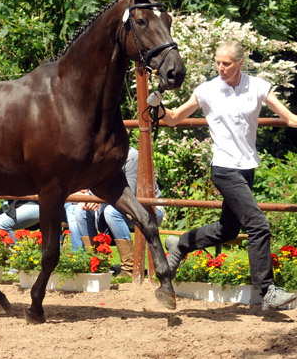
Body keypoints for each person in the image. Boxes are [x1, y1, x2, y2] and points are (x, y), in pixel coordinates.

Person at [147, 40, 297, 311]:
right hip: (225, 168)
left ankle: (180, 243)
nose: (220, 67)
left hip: (247, 166)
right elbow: (173, 118)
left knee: (228, 229)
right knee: (258, 224)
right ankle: (267, 291)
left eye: (226, 63)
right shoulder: (207, 90)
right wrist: (158, 106)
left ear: (240, 63)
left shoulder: (259, 86)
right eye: (217, 62)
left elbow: (289, 118)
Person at [78, 147, 165, 277]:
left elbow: (129, 194)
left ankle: (129, 267)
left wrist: (99, 200)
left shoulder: (132, 156)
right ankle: (96, 264)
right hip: (111, 204)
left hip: (148, 209)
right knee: (80, 212)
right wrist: (89, 199)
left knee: (111, 212)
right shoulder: (101, 155)